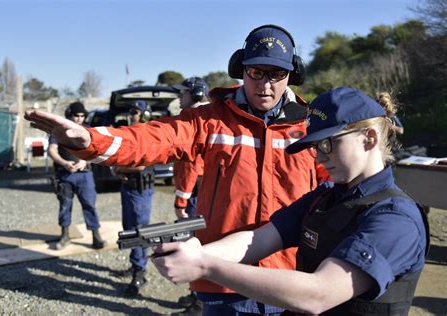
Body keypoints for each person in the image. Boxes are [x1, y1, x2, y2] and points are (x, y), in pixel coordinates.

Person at [25, 24, 328, 315]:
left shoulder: (311, 128)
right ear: (241, 69)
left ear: (292, 74)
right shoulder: (209, 120)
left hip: (291, 278)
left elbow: (338, 189)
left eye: (276, 74)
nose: (265, 84)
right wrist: (90, 140)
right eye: (256, 72)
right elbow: (152, 138)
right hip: (224, 283)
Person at [151, 87, 430, 316]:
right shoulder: (324, 198)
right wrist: (192, 253)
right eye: (314, 147)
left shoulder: (394, 219)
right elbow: (258, 240)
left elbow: (318, 294)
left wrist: (205, 266)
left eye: (327, 144)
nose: (319, 157)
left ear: (369, 138)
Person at [171, 77, 210, 311]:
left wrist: (181, 200)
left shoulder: (193, 120)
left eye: (183, 92)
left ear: (194, 94)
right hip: (205, 191)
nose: (179, 96)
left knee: (195, 247)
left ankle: (199, 303)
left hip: (196, 193)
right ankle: (196, 295)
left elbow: (190, 165)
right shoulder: (207, 116)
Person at [111, 100, 156, 297]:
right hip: (129, 187)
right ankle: (135, 265)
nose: (131, 115)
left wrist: (117, 169)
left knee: (139, 231)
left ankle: (140, 272)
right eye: (131, 111)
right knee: (129, 230)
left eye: (136, 112)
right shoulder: (132, 133)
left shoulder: (148, 135)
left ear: (146, 115)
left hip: (140, 191)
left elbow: (140, 165)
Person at [47, 101, 107, 250]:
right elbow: (52, 150)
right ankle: (64, 235)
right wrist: (64, 163)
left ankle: (96, 236)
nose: (79, 119)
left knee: (90, 205)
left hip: (84, 174)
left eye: (82, 116)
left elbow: (95, 150)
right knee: (65, 206)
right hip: (65, 174)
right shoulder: (59, 130)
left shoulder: (88, 130)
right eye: (76, 115)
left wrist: (83, 161)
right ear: (69, 115)